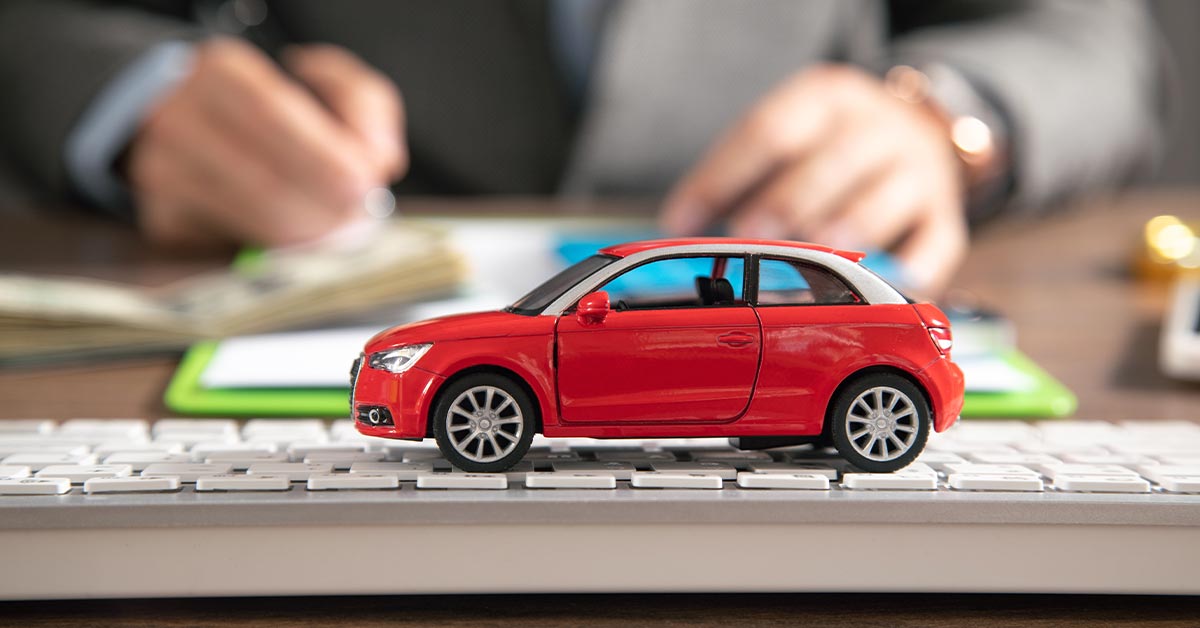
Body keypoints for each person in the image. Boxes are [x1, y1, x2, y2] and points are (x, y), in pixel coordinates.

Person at [0, 0, 1161, 294]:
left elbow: (1091, 36)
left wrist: (943, 118)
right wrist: (137, 96)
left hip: (799, 248)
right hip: (298, 247)